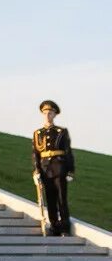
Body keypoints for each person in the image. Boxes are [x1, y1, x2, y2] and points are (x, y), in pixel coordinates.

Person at [33, 100, 76, 237]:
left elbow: (68, 151)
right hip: (45, 169)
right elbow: (36, 154)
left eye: (50, 113)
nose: (47, 115)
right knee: (50, 199)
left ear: (54, 115)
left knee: (61, 198)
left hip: (59, 167)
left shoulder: (61, 132)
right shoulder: (37, 133)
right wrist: (37, 170)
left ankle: (64, 227)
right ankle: (54, 226)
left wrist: (70, 170)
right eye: (45, 113)